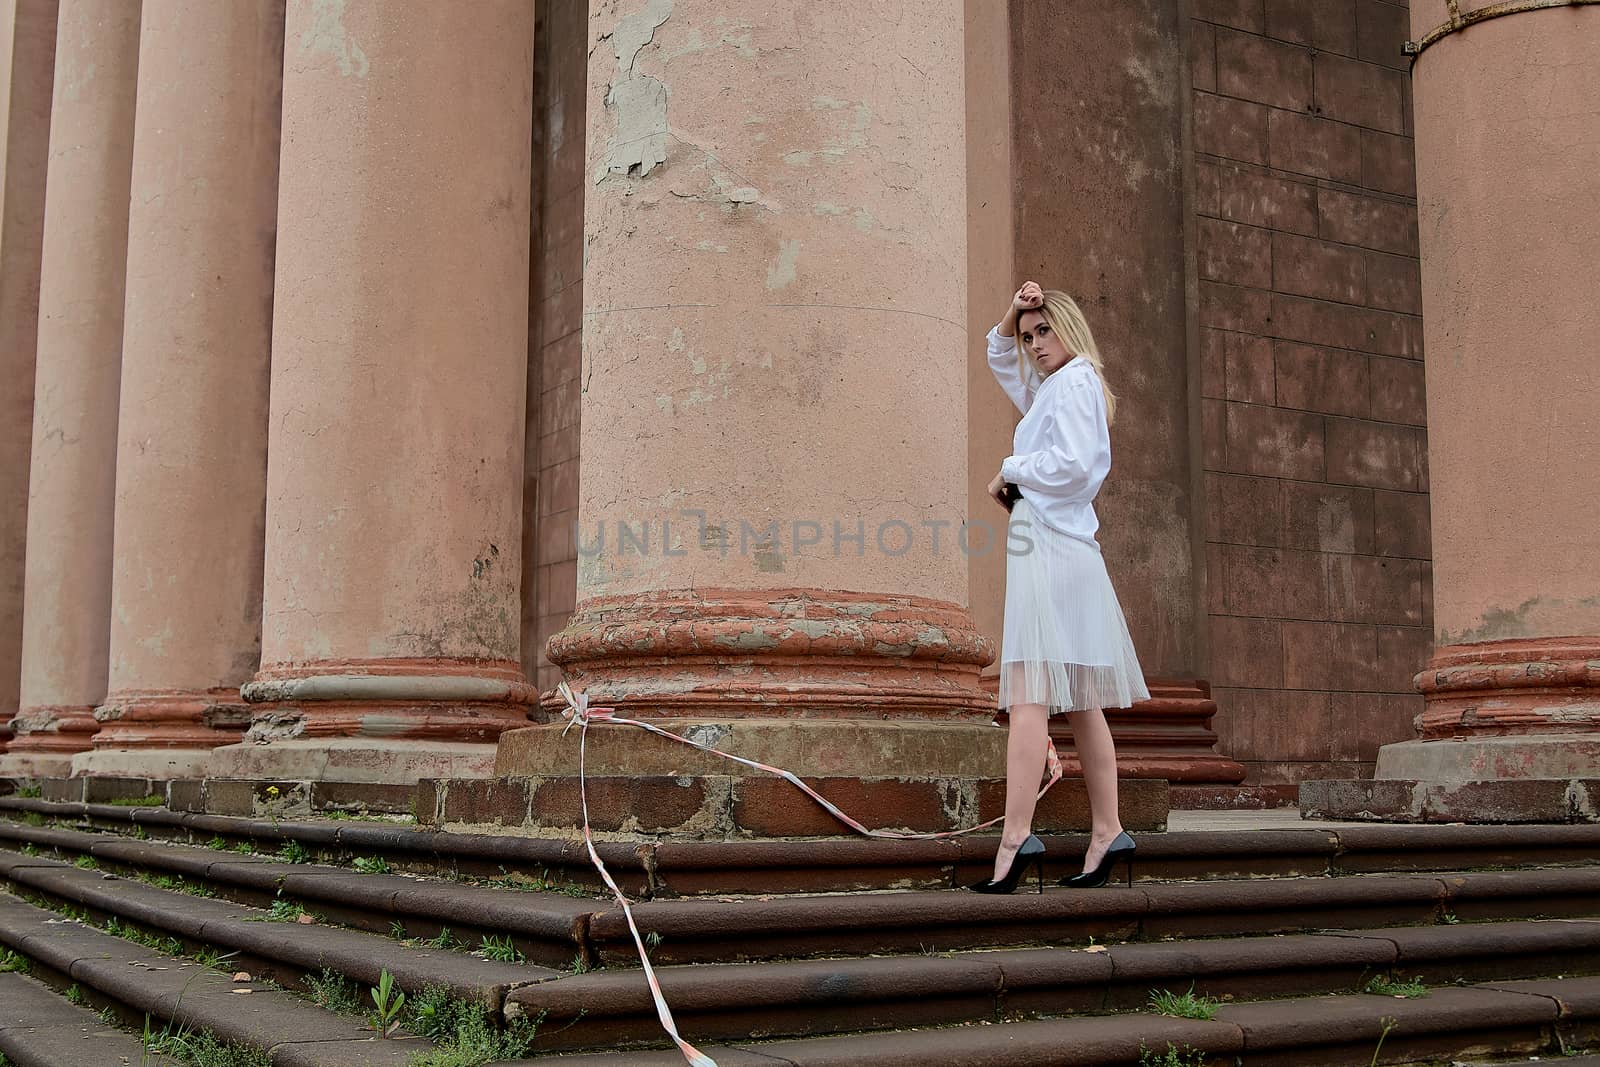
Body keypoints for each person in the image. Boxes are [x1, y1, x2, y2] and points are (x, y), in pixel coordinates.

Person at [968, 280, 1150, 894]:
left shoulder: (1073, 382)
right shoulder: (1051, 388)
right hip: (1054, 544)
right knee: (1080, 700)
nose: (1034, 344)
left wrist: (1009, 470)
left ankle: (1016, 839)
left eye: (1045, 330)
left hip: (1050, 546)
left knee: (1029, 694)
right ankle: (1108, 832)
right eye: (1030, 336)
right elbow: (996, 352)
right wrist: (1012, 312)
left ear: (1068, 326)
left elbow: (1076, 467)